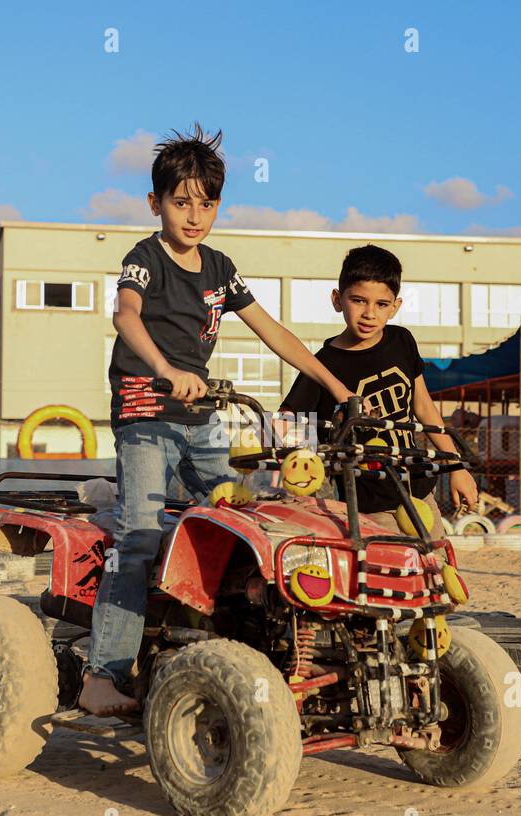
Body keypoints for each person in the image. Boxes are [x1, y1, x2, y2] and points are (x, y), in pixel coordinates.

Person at [79, 123, 352, 717]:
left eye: (206, 203)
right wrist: (164, 368)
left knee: (241, 520)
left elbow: (273, 331)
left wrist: (337, 386)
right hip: (146, 412)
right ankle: (103, 675)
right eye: (181, 202)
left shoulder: (221, 268)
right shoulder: (143, 259)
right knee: (141, 537)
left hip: (202, 418)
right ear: (156, 204)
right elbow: (125, 316)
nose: (194, 215)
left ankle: (243, 649)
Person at [278, 244, 480, 524]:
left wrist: (455, 465)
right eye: (359, 300)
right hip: (366, 505)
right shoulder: (322, 365)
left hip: (417, 489)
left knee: (435, 563)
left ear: (395, 307)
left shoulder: (401, 341)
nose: (370, 313)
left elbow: (423, 406)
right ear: (337, 300)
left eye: (381, 304)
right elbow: (285, 421)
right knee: (383, 565)